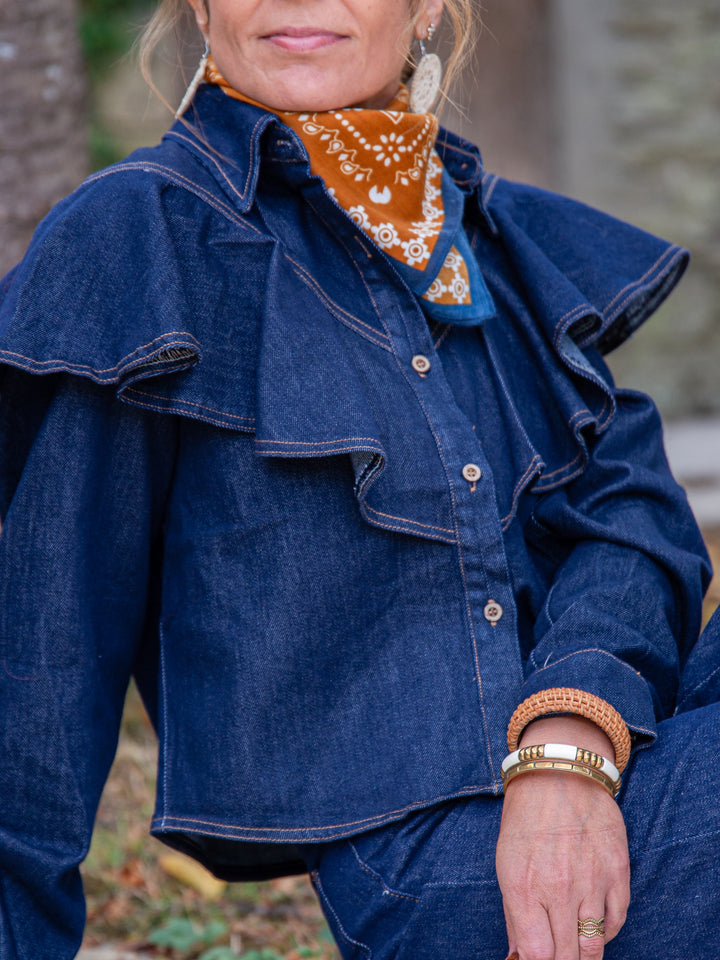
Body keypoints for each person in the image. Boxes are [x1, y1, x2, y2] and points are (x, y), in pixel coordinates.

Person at [0, 1, 718, 957]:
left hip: (616, 763)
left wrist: (569, 739)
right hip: (437, 861)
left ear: (426, 8)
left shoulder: (490, 238)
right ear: (202, 6)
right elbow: (39, 671)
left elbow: (630, 522)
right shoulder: (137, 242)